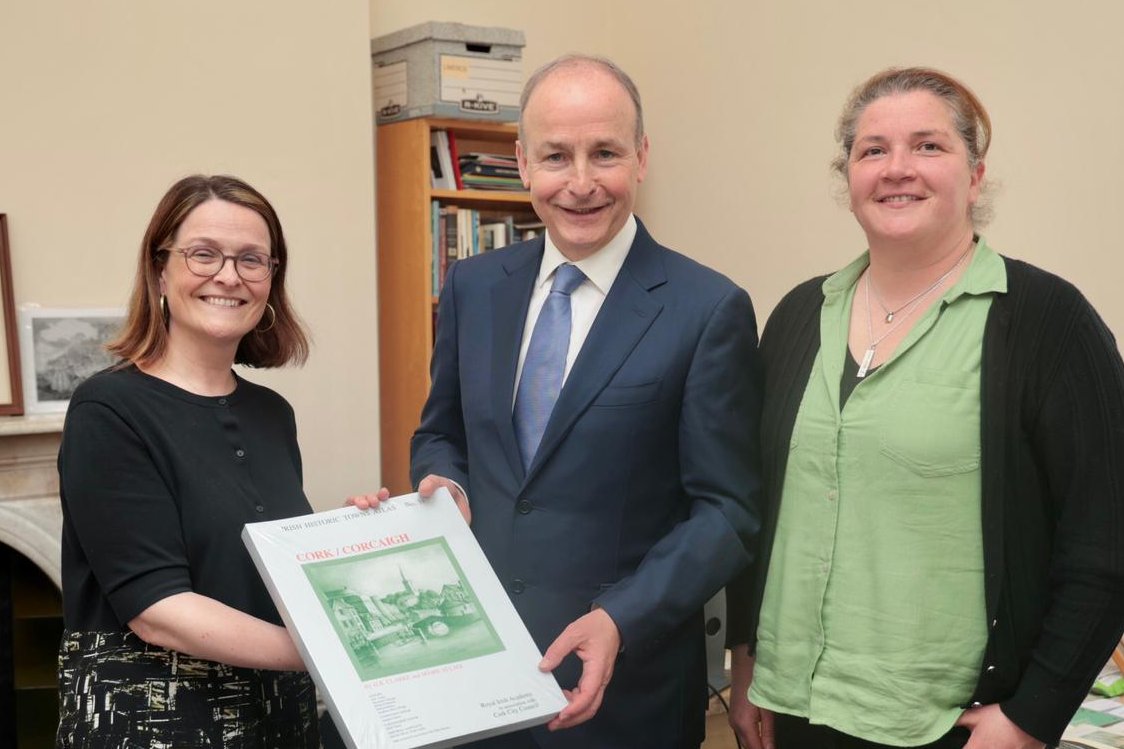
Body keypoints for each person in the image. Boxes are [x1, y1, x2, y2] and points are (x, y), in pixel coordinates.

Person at [725, 67, 1124, 749]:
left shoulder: (1047, 323)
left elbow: (1105, 534)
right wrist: (746, 659)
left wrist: (1033, 715)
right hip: (792, 706)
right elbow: (757, 508)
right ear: (847, 175)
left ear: (975, 175)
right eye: (872, 149)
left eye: (928, 147)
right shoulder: (796, 315)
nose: (896, 169)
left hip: (952, 725)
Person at [409, 54, 762, 748]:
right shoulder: (472, 287)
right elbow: (441, 431)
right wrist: (442, 478)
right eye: (555, 156)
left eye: (604, 153)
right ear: (522, 163)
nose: (579, 183)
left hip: (627, 697)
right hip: (480, 681)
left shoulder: (705, 308)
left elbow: (728, 514)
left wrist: (620, 617)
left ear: (641, 157)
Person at [56, 174, 318, 747]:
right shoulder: (108, 408)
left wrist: (362, 533)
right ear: (159, 270)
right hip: (158, 720)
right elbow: (156, 608)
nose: (229, 275)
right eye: (203, 254)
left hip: (277, 718)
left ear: (271, 281)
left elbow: (272, 568)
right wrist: (331, 653)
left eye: (253, 260)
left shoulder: (272, 414)